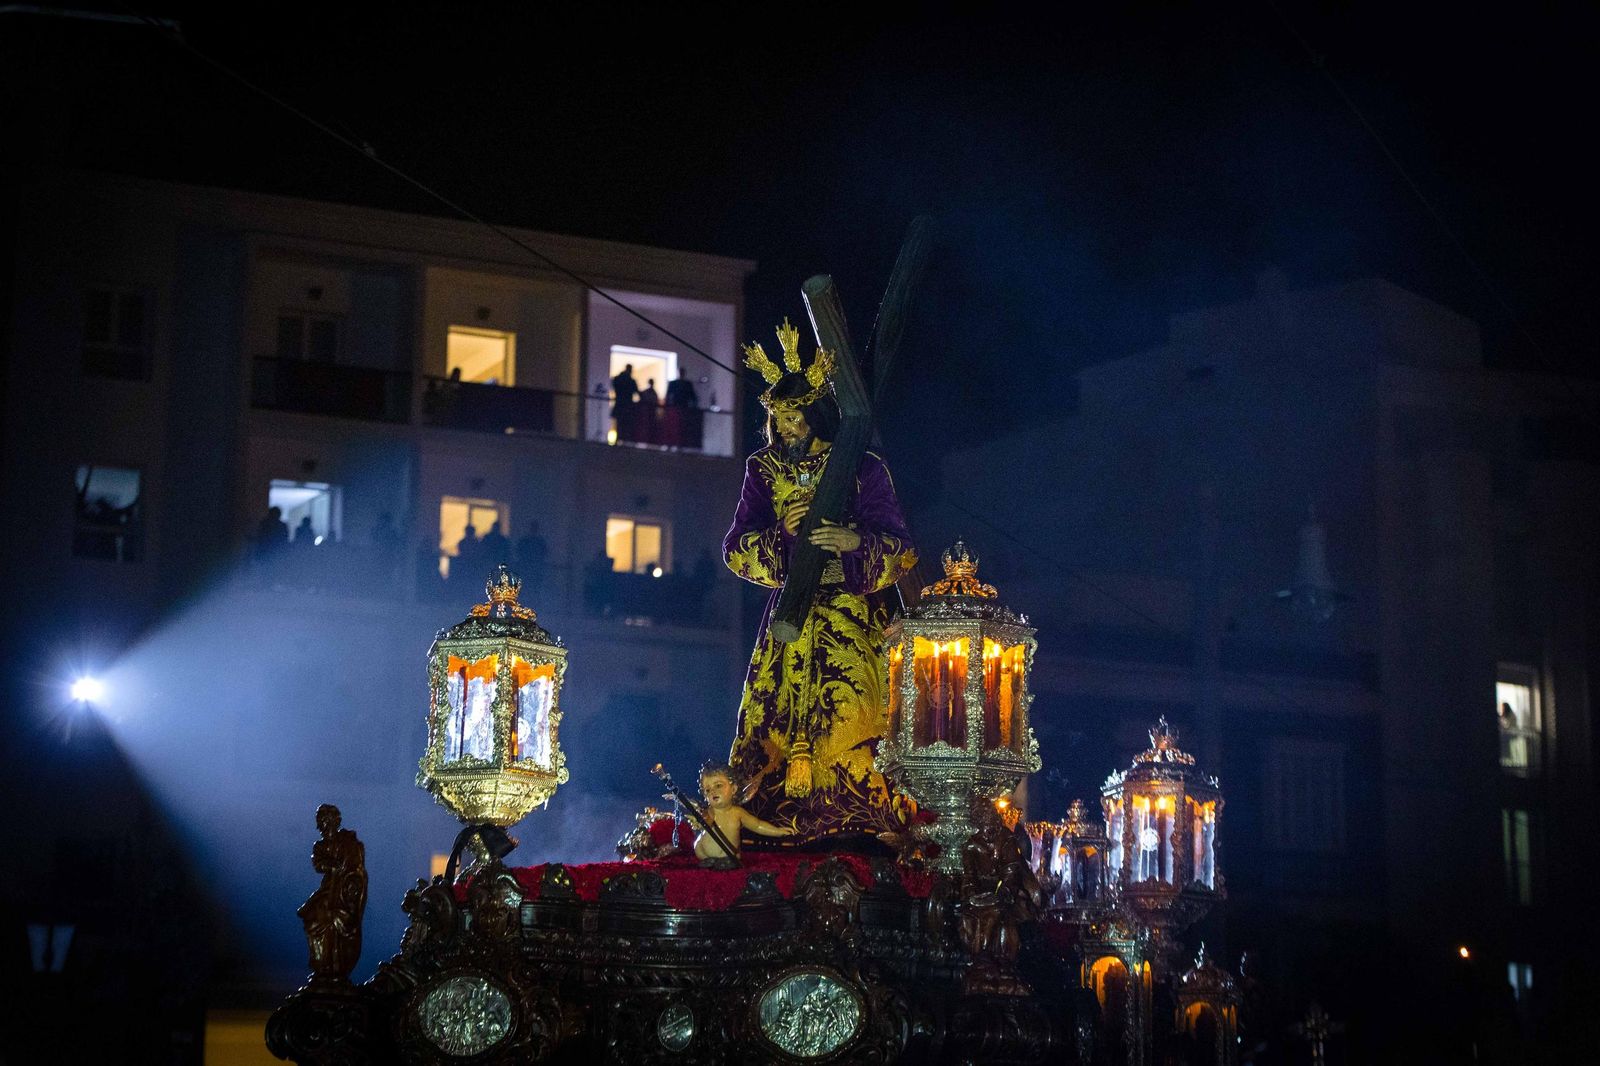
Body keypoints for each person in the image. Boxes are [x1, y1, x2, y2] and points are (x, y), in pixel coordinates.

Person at [723, 319, 917, 845]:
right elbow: (736, 549)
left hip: (857, 619)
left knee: (856, 713)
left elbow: (900, 548)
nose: (785, 429)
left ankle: (863, 817)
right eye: (778, 419)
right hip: (792, 618)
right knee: (779, 718)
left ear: (816, 415)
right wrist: (782, 538)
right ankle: (774, 820)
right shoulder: (763, 470)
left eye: (794, 418)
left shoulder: (862, 466)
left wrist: (855, 543)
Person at [694, 762, 794, 866]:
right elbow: (704, 824)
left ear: (733, 789)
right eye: (707, 790)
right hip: (705, 855)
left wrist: (778, 831)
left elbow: (757, 825)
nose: (713, 791)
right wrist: (700, 822)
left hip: (729, 856)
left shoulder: (737, 813)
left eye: (718, 785)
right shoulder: (710, 812)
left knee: (729, 863)